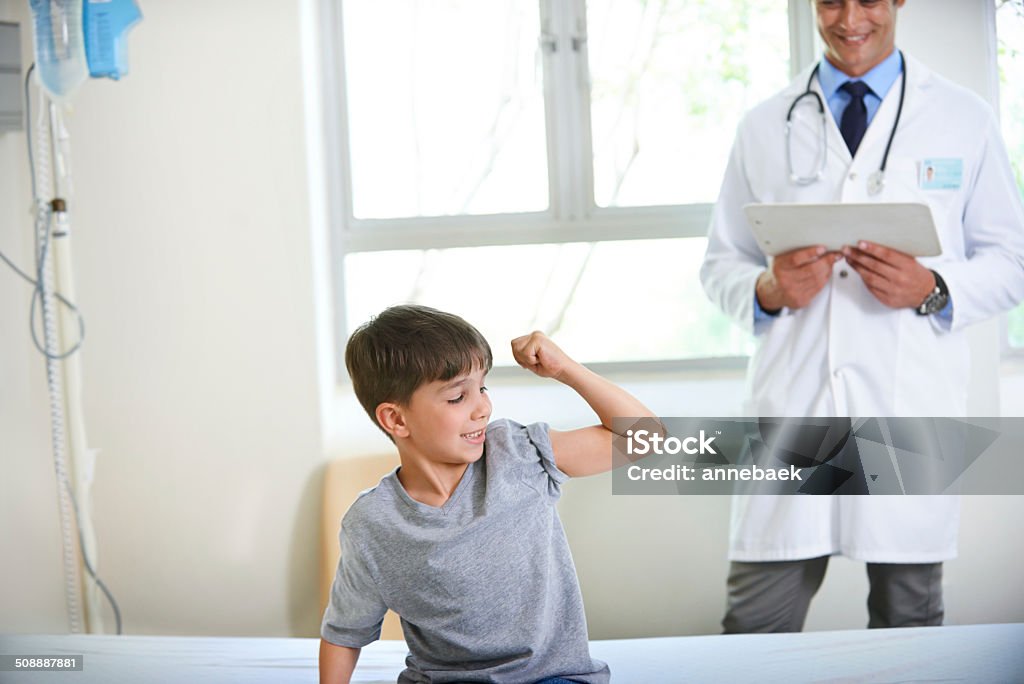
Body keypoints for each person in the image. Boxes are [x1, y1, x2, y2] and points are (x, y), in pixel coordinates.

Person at [700, 0, 1024, 633]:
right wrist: (768, 288)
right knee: (753, 632)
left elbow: (1013, 260)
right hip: (796, 407)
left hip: (906, 405)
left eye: (869, 0)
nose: (849, 18)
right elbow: (719, 264)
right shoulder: (764, 124)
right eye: (829, 1)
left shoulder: (963, 117)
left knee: (909, 627)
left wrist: (933, 287)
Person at [319, 305, 657, 683]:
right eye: (456, 397)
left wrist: (565, 369)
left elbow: (645, 437)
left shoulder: (517, 453)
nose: (482, 407)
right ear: (396, 419)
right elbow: (344, 634)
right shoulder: (372, 523)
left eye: (482, 387)